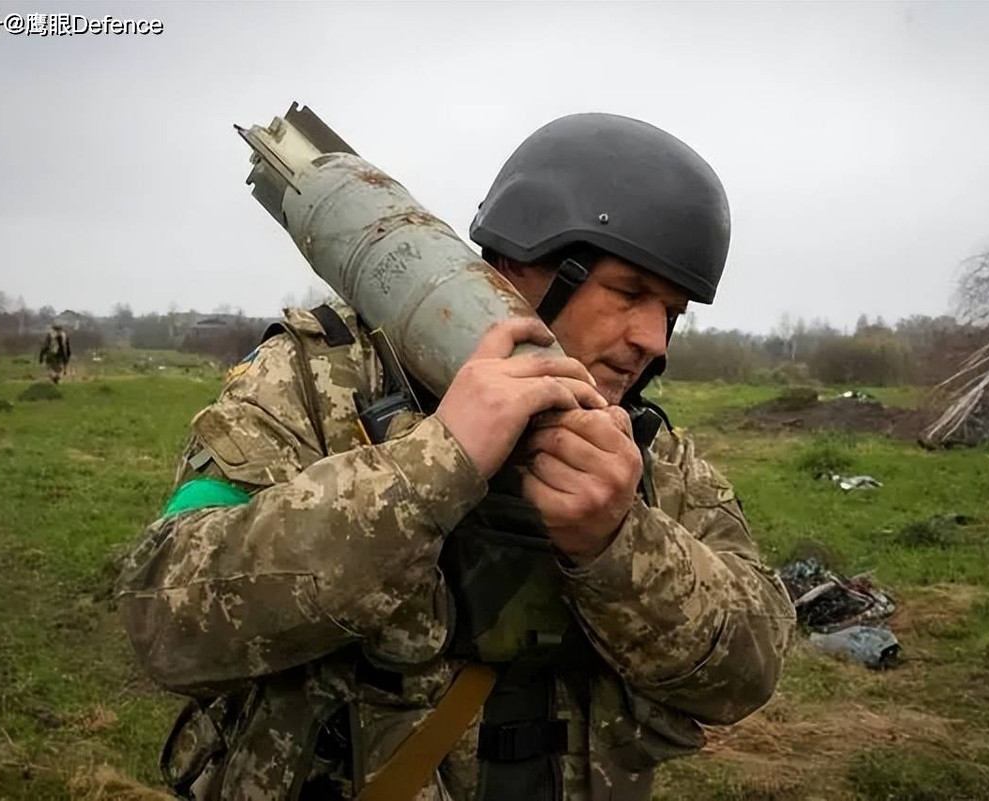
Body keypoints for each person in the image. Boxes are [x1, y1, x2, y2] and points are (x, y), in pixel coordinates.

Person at [117, 113, 795, 801]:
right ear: (521, 261)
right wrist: (436, 464)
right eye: (629, 293)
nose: (655, 339)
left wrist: (616, 543)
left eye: (672, 311)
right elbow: (166, 614)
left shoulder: (646, 452)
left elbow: (751, 666)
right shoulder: (320, 382)